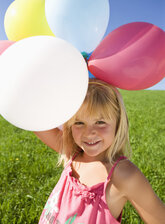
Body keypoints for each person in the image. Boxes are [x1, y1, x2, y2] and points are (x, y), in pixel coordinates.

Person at [34, 78, 165, 224]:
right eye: (79, 122)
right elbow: (33, 119)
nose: (89, 133)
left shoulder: (124, 176)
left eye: (100, 122)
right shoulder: (73, 152)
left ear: (118, 122)